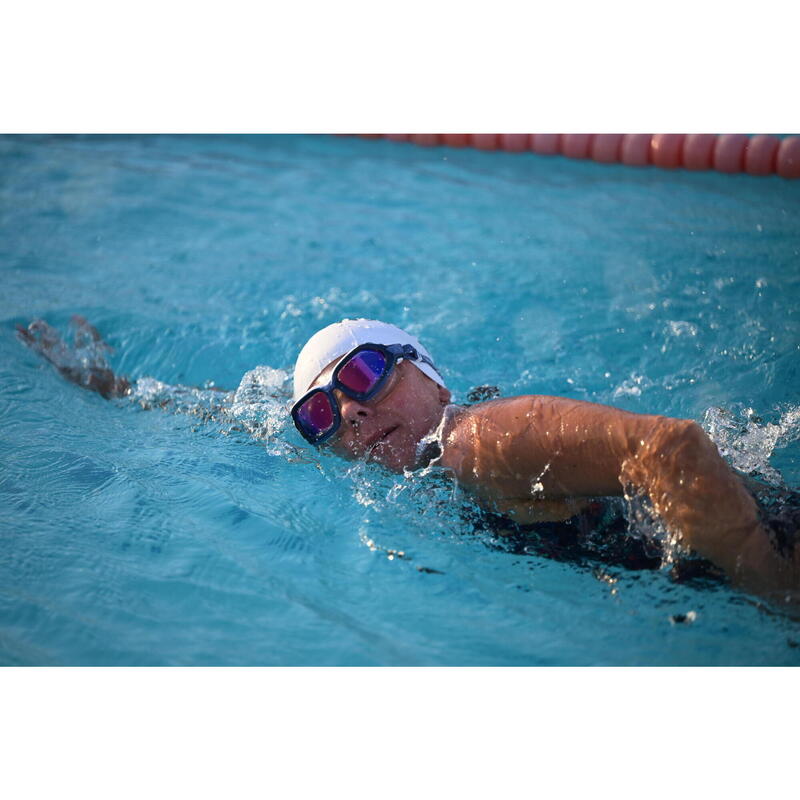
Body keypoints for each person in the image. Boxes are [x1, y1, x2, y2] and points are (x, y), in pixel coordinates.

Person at [17, 315, 800, 602]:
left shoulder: (472, 441)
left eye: (364, 374)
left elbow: (671, 447)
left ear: (427, 374)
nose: (351, 411)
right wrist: (111, 388)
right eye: (321, 415)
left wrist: (775, 590)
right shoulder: (422, 469)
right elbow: (235, 419)